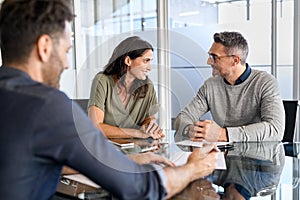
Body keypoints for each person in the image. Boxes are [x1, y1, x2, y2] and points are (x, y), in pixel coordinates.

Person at [0, 0, 219, 199]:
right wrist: (193, 168)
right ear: (45, 47)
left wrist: (123, 162)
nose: (67, 63)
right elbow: (140, 188)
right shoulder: (49, 106)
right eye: (66, 50)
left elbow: (28, 161)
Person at [174, 31, 285, 142]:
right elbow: (182, 118)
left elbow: (275, 130)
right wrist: (190, 130)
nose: (209, 62)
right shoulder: (210, 85)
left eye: (214, 57)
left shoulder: (265, 82)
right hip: (221, 155)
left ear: (235, 60)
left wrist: (223, 134)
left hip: (259, 156)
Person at [88, 36, 164, 139]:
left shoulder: (147, 86)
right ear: (128, 60)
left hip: (136, 149)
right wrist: (136, 133)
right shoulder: (102, 81)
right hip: (106, 149)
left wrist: (150, 127)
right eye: (146, 61)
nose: (150, 68)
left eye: (150, 61)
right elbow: (95, 126)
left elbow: (149, 118)